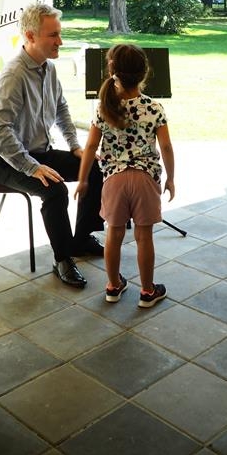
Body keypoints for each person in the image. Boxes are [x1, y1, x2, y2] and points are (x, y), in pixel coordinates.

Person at [0, 2, 104, 288]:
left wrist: (75, 146)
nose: (60, 41)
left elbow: (61, 108)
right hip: (9, 162)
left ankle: (80, 239)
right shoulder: (14, 75)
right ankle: (63, 258)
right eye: (53, 35)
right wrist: (32, 167)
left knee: (93, 167)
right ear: (30, 36)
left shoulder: (48, 68)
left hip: (42, 153)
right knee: (55, 191)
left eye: (59, 34)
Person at [74, 43, 175, 308]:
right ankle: (148, 292)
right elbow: (165, 147)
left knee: (114, 235)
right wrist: (171, 178)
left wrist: (83, 180)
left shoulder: (104, 108)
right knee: (144, 236)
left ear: (112, 71)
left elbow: (91, 147)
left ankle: (113, 286)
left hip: (113, 180)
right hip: (145, 179)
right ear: (144, 72)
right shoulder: (154, 108)